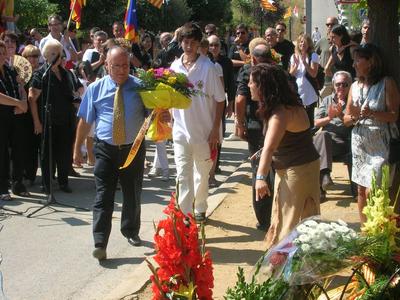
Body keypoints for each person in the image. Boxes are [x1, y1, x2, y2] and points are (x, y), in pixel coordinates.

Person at [251, 63, 320, 249]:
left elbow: (270, 148)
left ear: (262, 86)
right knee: (300, 217)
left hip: (297, 170)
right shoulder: (289, 106)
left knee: (291, 221)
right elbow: (288, 139)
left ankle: (288, 271)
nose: (249, 85)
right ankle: (300, 268)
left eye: (252, 82)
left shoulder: (280, 114)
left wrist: (260, 178)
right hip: (303, 166)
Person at [170, 22, 225, 222]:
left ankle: (200, 206)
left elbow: (220, 99)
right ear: (181, 42)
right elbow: (169, 97)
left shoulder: (208, 68)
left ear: (198, 43)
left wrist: (214, 130)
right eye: (185, 42)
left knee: (202, 174)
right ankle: (185, 215)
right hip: (180, 131)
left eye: (193, 42)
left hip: (204, 131)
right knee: (183, 174)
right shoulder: (174, 67)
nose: (189, 46)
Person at [343, 43, 399, 223]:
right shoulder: (354, 86)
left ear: (371, 62)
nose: (354, 64)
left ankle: (380, 231)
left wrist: (371, 113)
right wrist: (355, 116)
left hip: (381, 143)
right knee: (361, 189)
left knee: (375, 189)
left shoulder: (386, 83)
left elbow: (394, 116)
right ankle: (365, 232)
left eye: (358, 60)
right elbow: (346, 119)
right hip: (360, 141)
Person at [235, 41, 278, 231]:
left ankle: (263, 219)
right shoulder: (279, 72)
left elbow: (240, 99)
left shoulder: (246, 71)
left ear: (252, 58)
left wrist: (240, 123)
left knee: (259, 170)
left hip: (255, 126)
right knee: (276, 169)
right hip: (278, 125)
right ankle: (277, 214)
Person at [29, 39, 77, 194]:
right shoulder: (40, 74)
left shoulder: (66, 73)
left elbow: (72, 93)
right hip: (48, 120)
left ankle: (64, 182)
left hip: (66, 120)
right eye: (57, 53)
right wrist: (37, 121)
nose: (61, 56)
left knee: (64, 152)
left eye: (61, 53)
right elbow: (32, 98)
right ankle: (47, 183)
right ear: (48, 55)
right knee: (47, 154)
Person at [313, 71, 353, 200]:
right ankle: (325, 176)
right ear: (334, 86)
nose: (341, 87)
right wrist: (330, 117)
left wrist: (340, 114)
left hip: (345, 141)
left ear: (350, 86)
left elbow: (353, 123)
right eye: (338, 84)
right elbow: (316, 122)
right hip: (328, 141)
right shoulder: (327, 100)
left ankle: (324, 177)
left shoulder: (353, 101)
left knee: (321, 142)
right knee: (322, 135)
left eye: (344, 84)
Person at [0, 41, 28, 201]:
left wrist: (23, 102)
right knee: (2, 153)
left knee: (19, 150)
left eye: (4, 52)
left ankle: (18, 184)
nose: (2, 56)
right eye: (0, 53)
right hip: (2, 116)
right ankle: (2, 187)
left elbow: (21, 87)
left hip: (16, 115)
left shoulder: (10, 70)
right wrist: (18, 103)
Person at [289, 33, 319, 126]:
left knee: (309, 120)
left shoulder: (313, 55)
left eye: (305, 42)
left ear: (309, 44)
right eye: (301, 42)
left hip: (309, 92)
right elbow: (291, 74)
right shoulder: (294, 56)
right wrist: (297, 65)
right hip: (297, 91)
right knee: (297, 118)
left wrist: (305, 64)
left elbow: (314, 74)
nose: (302, 44)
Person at [315, 16, 339, 99]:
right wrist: (316, 66)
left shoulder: (342, 41)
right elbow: (313, 54)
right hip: (325, 80)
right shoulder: (322, 41)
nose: (329, 26)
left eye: (332, 24)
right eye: (327, 24)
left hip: (339, 81)